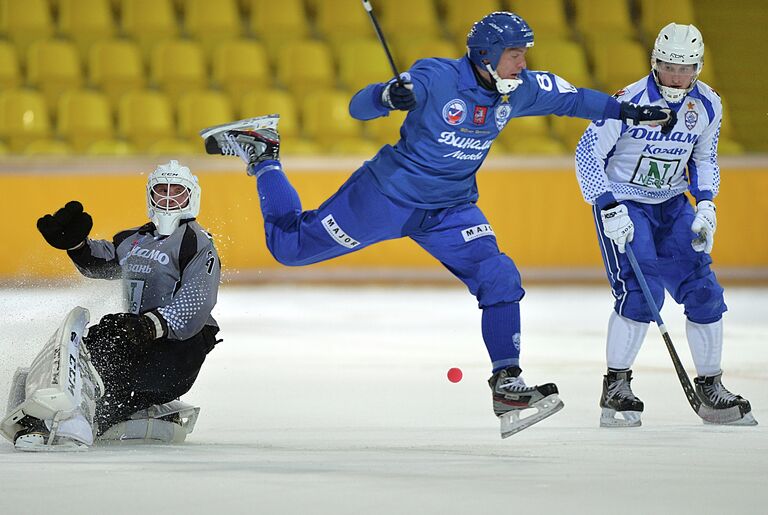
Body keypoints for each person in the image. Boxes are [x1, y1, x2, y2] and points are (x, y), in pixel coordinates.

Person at [201, 12, 675, 437]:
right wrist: (388, 95)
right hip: (385, 197)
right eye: (514, 55)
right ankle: (263, 152)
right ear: (487, 55)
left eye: (524, 55)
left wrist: (630, 111)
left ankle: (507, 383)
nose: (522, 64)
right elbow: (357, 108)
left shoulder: (520, 89)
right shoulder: (435, 75)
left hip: (451, 210)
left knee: (499, 276)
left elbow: (574, 101)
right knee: (289, 248)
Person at [574, 23, 756, 427]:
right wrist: (608, 207)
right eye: (668, 67)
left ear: (698, 67)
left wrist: (707, 205)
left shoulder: (709, 104)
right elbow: (587, 154)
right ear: (653, 63)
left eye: (686, 69)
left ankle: (711, 385)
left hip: (673, 203)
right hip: (625, 200)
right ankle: (616, 386)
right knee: (641, 292)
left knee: (704, 289)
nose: (677, 77)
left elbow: (705, 158)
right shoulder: (627, 101)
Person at [1, 160, 221, 451]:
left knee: (112, 371)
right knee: (97, 345)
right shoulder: (134, 239)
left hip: (180, 348)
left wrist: (149, 324)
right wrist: (76, 245)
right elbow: (101, 263)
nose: (168, 197)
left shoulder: (198, 243)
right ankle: (45, 407)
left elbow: (195, 304)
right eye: (161, 190)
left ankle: (74, 419)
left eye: (177, 191)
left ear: (191, 196)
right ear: (150, 195)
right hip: (137, 335)